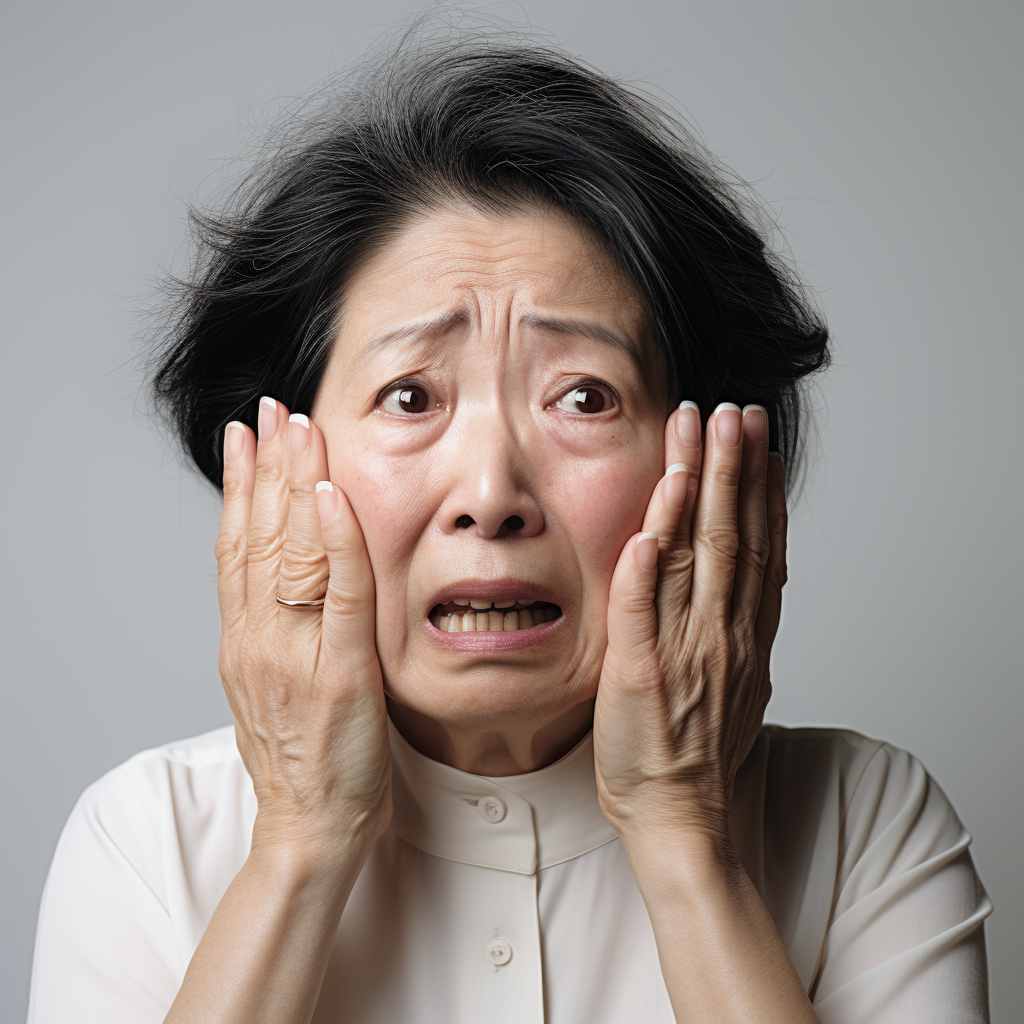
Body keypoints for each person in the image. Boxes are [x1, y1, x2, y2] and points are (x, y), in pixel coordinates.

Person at [26, 35, 991, 1024]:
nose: (490, 494)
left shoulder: (861, 821)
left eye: (583, 394)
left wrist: (685, 840)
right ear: (283, 463)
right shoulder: (148, 841)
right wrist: (299, 844)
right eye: (410, 395)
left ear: (709, 469)